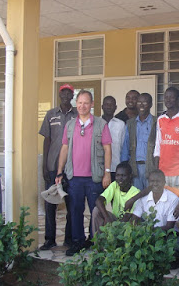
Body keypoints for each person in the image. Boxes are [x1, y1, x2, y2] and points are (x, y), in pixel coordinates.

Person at [55, 90, 112, 256]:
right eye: (79, 102)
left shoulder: (101, 124)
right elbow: (64, 148)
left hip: (94, 177)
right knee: (75, 211)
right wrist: (59, 172)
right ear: (76, 104)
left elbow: (108, 148)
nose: (82, 106)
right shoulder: (70, 125)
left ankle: (95, 242)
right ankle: (77, 242)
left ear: (92, 104)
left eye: (86, 103)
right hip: (74, 178)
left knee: (96, 212)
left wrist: (107, 172)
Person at [38, 83, 77, 250]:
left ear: (72, 96)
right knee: (50, 203)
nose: (66, 96)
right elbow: (46, 140)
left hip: (72, 167)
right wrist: (45, 166)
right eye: (63, 93)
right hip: (53, 165)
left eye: (69, 94)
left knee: (71, 204)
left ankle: (68, 239)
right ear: (59, 95)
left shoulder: (78, 115)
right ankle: (49, 239)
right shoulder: (51, 114)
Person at [154, 87, 179, 187]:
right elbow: (157, 147)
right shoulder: (160, 119)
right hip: (163, 172)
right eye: (166, 97)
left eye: (171, 97)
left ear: (178, 99)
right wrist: (156, 171)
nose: (168, 100)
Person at [92, 162, 141, 235]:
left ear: (130, 176)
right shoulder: (115, 185)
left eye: (123, 175)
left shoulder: (135, 192)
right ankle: (98, 243)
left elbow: (127, 217)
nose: (120, 179)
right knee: (96, 210)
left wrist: (112, 227)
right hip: (115, 220)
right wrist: (107, 217)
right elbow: (99, 200)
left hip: (128, 225)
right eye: (117, 175)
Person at [121, 93, 157, 190]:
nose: (141, 105)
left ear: (150, 104)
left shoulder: (156, 122)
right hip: (134, 168)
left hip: (151, 166)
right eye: (139, 102)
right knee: (137, 199)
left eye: (144, 102)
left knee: (151, 198)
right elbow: (126, 146)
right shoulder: (130, 123)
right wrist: (124, 166)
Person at [102, 96, 125, 182]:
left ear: (115, 107)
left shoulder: (121, 124)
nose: (108, 107)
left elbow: (123, 147)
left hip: (116, 168)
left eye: (111, 105)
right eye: (106, 104)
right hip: (99, 169)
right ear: (102, 106)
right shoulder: (96, 124)